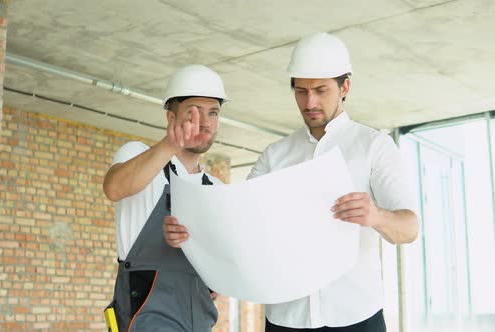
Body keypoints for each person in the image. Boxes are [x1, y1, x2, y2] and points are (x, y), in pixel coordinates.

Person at [164, 32, 419, 331]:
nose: (309, 102)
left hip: (356, 315)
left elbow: (409, 228)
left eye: (321, 90)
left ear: (344, 86)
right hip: (286, 318)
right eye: (301, 91)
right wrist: (188, 236)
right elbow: (238, 222)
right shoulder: (275, 156)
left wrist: (376, 215)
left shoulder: (374, 146)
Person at [103, 64, 229, 331]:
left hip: (200, 320)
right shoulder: (138, 155)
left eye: (213, 112)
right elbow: (114, 188)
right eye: (193, 113)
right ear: (171, 117)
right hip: (147, 316)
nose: (204, 122)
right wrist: (171, 145)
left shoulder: (216, 187)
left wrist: (215, 278)